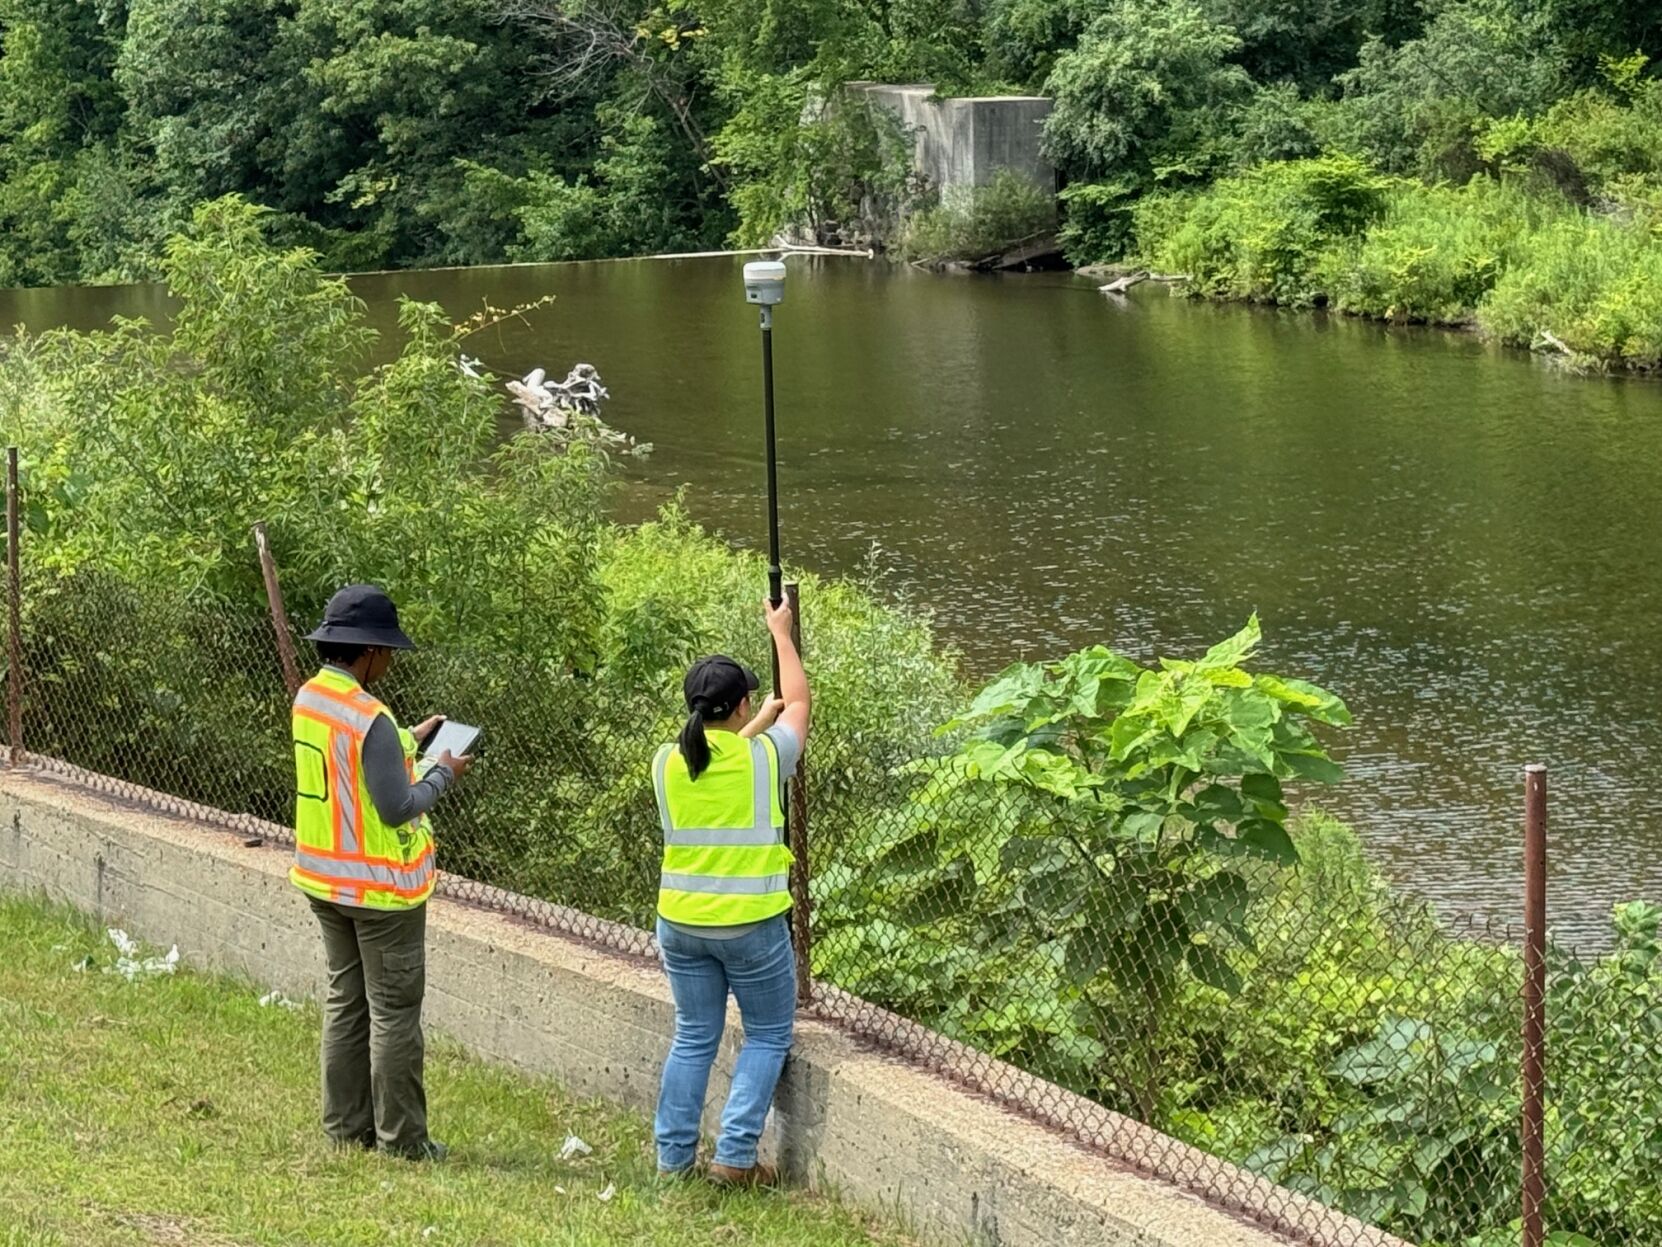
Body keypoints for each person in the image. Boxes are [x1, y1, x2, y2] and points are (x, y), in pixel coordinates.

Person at [289, 584, 472, 1161]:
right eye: (387, 651)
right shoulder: (370, 716)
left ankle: (345, 1128)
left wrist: (409, 740)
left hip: (324, 878)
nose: (391, 660)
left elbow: (356, 769)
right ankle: (403, 1142)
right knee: (394, 1014)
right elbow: (397, 805)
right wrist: (443, 772)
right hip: (380, 890)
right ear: (366, 651)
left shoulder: (312, 698)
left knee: (346, 1000)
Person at [651, 598, 810, 1187]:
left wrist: (756, 721)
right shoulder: (764, 760)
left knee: (694, 1037)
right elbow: (800, 703)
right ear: (742, 703)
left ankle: (673, 1162)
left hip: (681, 924)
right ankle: (734, 1159)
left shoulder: (666, 762)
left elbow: (712, 757)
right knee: (768, 1035)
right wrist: (781, 633)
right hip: (750, 926)